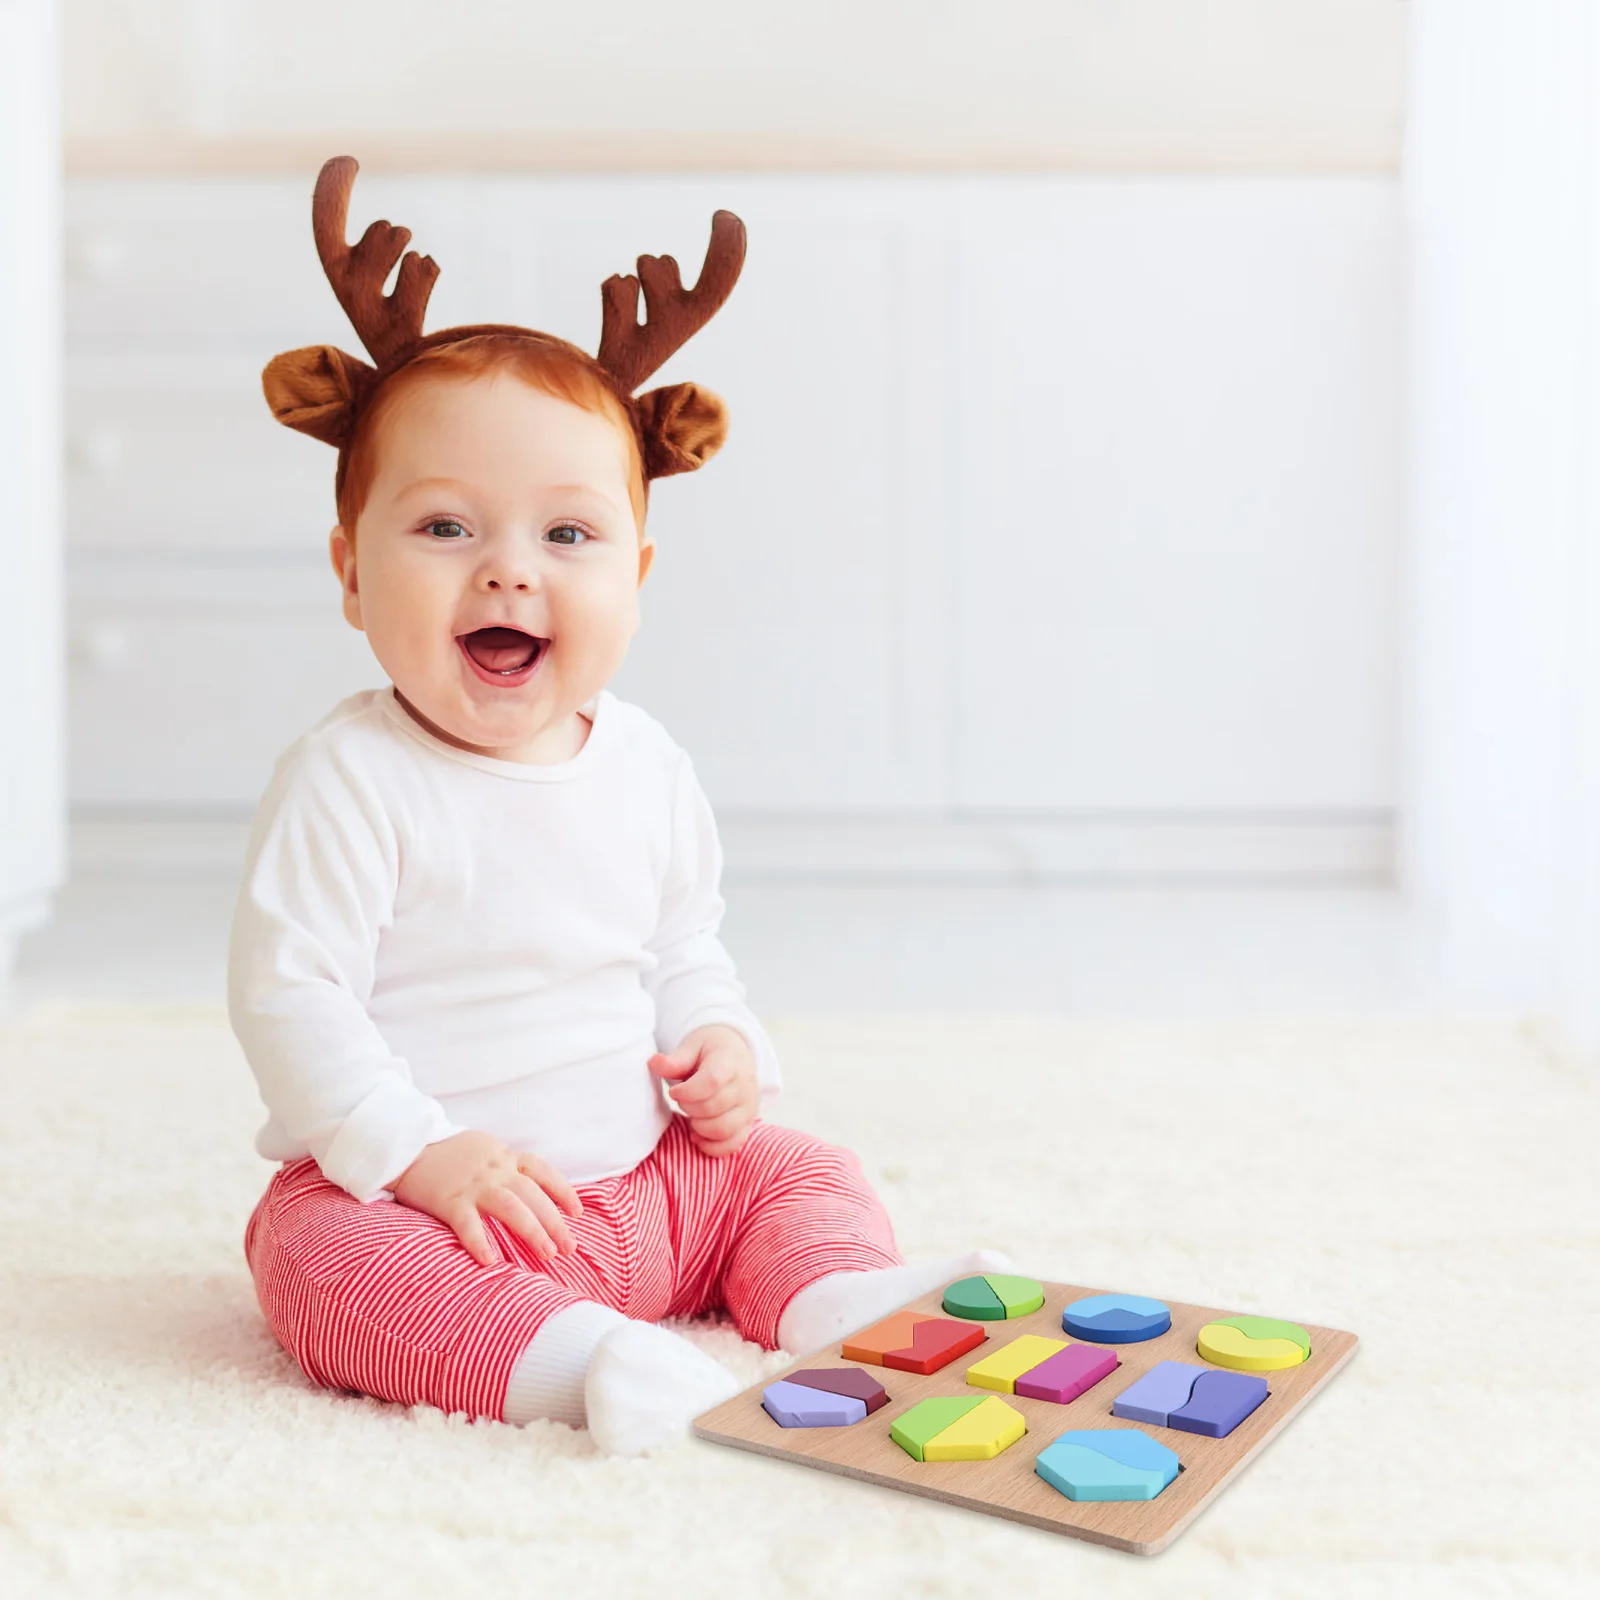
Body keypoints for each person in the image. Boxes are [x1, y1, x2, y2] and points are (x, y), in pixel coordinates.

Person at [230, 158, 1005, 1456]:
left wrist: (720, 1044)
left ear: (637, 576)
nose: (507, 572)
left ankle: (835, 1300)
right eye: (443, 529)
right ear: (350, 572)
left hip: (654, 1190)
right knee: (313, 1258)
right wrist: (422, 1156)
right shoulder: (349, 780)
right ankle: (585, 1361)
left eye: (567, 537)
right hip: (449, 1216)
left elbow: (682, 947)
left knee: (796, 1169)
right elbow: (291, 1000)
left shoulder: (643, 766)